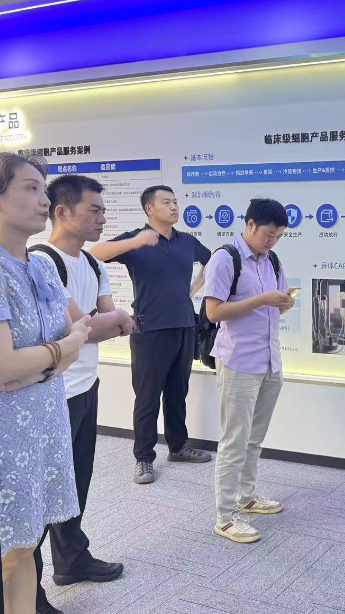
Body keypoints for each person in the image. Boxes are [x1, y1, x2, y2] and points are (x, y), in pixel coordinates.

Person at [30, 175, 134, 614]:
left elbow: (104, 325)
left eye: (103, 210)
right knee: (39, 496)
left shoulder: (92, 263)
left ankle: (72, 560)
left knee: (75, 483)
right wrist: (98, 325)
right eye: (94, 210)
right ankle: (28, 593)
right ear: (62, 212)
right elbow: (88, 327)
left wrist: (96, 325)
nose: (102, 218)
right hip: (50, 392)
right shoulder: (42, 262)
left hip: (86, 385)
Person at [0, 153, 91, 614]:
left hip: (43, 420)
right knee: (7, 551)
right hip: (7, 432)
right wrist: (62, 349)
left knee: (25, 544)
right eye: (30, 187)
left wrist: (37, 365)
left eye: (44, 187)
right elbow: (4, 367)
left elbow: (77, 338)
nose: (44, 199)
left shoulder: (40, 266)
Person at [89, 185, 212, 485]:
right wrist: (135, 242)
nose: (174, 207)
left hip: (184, 325)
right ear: (149, 209)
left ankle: (178, 447)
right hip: (149, 329)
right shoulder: (136, 239)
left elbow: (212, 260)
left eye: (175, 202)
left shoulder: (186, 241)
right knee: (147, 397)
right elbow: (94, 254)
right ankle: (144, 458)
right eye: (166, 202)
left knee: (177, 392)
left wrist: (193, 290)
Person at [203, 198, 295, 543]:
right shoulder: (225, 258)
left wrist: (284, 303)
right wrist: (262, 300)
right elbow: (214, 312)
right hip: (239, 361)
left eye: (279, 236)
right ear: (250, 224)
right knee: (235, 439)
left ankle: (247, 496)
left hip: (269, 360)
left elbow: (273, 310)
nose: (273, 242)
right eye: (269, 234)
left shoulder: (273, 260)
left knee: (254, 437)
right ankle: (225, 517)